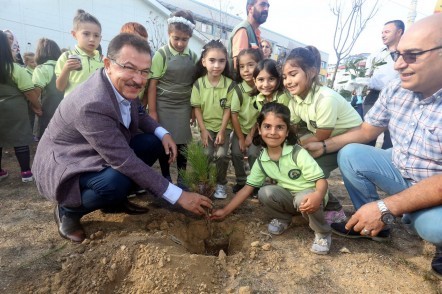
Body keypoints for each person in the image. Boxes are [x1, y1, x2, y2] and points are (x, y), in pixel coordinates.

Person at [32, 33, 213, 243]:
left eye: (145, 71)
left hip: (98, 149)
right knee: (114, 182)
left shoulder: (120, 85)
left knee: (152, 143)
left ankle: (114, 202)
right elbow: (124, 161)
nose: (138, 79)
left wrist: (163, 133)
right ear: (108, 64)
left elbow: (140, 113)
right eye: (129, 67)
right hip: (68, 159)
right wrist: (179, 195)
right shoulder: (92, 104)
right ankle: (68, 210)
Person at [304, 14, 442, 278]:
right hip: (401, 169)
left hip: (435, 184)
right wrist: (324, 145)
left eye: (412, 55)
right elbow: (367, 130)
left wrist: (385, 206)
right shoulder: (396, 90)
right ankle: (377, 226)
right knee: (351, 154)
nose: (400, 64)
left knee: (435, 227)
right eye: (398, 55)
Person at [212, 102, 332, 255]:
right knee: (264, 192)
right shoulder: (262, 159)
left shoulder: (297, 153)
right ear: (259, 129)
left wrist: (318, 195)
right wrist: (225, 211)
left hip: (311, 194)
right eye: (267, 126)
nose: (273, 132)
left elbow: (321, 181)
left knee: (303, 199)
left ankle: (322, 233)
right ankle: (284, 219)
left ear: (287, 131)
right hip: (289, 197)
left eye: (279, 127)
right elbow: (247, 189)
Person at [282, 46, 363, 225]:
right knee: (293, 161)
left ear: (311, 72)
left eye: (293, 74)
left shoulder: (325, 98)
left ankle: (333, 209)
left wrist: (296, 151)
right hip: (327, 138)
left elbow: (321, 134)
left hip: (351, 140)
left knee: (309, 169)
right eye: (285, 76)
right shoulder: (296, 99)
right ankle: (304, 204)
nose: (288, 81)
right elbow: (293, 128)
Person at [147, 10, 198, 188]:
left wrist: (192, 108)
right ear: (169, 33)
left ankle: (182, 177)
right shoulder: (161, 55)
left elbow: (194, 85)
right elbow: (152, 84)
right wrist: (153, 111)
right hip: (163, 104)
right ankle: (166, 176)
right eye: (176, 38)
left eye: (184, 39)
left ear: (189, 37)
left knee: (183, 141)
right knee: (165, 141)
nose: (179, 43)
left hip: (184, 104)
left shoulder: (192, 56)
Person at [191, 40, 234, 199]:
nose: (217, 65)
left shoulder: (230, 85)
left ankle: (221, 184)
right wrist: (202, 130)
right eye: (212, 60)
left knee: (222, 155)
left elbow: (228, 109)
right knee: (206, 153)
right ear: (203, 62)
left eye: (221, 61)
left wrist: (223, 131)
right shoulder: (198, 84)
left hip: (223, 127)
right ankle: (205, 182)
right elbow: (197, 108)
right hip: (206, 126)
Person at [0, 30, 42, 182]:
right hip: (15, 109)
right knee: (20, 139)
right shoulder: (15, 68)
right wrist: (37, 106)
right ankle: (25, 172)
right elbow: (30, 93)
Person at [364, 19, 404, 149]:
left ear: (399, 32)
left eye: (387, 31)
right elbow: (367, 75)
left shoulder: (406, 53)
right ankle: (365, 163)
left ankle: (387, 164)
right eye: (382, 32)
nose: (383, 35)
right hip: (373, 96)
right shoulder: (376, 55)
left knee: (392, 137)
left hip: (399, 97)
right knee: (367, 133)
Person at [230, 48, 263, 193]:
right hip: (240, 130)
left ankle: (255, 183)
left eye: (250, 65)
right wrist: (241, 138)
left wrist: (251, 135)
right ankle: (241, 181)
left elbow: (262, 115)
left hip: (257, 130)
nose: (246, 70)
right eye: (242, 66)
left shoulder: (263, 88)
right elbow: (234, 115)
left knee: (253, 154)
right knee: (236, 153)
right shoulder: (238, 90)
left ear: (259, 64)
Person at [55, 9, 103, 96]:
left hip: (96, 106)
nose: (92, 39)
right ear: (74, 34)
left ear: (100, 38)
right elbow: (60, 87)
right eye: (86, 34)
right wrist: (66, 69)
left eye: (96, 35)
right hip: (72, 106)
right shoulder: (67, 57)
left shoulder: (102, 60)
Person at [32, 38, 63, 139]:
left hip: (48, 111)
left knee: (47, 140)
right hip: (66, 109)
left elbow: (35, 92)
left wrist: (36, 107)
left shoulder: (42, 69)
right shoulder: (64, 68)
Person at [227, 0, 269, 73]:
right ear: (250, 8)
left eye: (268, 6)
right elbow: (238, 66)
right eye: (262, 5)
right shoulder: (243, 31)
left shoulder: (255, 32)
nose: (266, 9)